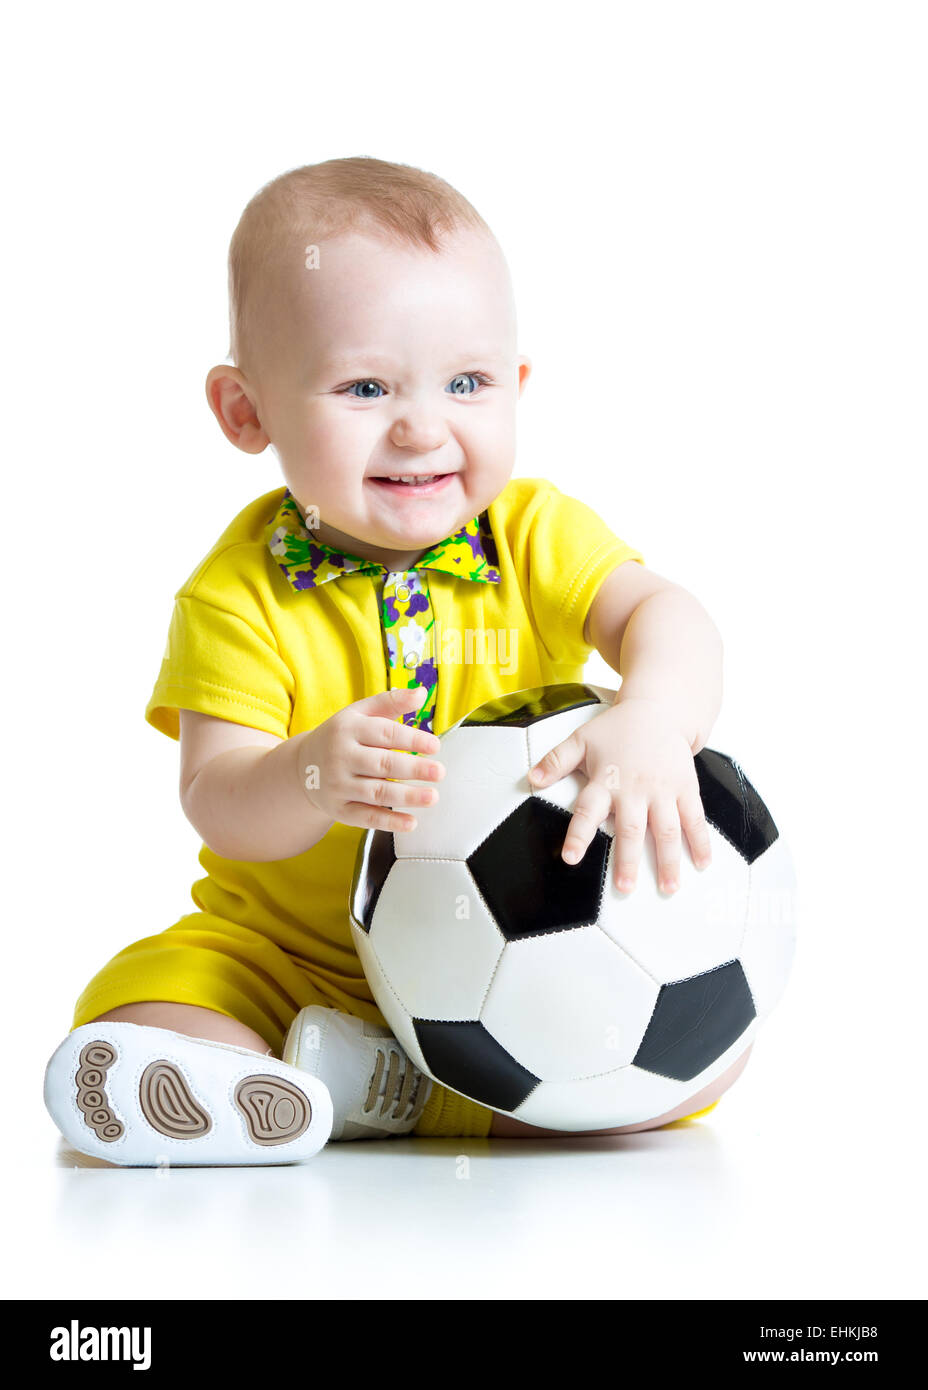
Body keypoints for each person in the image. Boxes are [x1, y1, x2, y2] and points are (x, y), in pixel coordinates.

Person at [44, 156, 748, 1166]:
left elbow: (669, 615)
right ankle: (253, 1073)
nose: (422, 425)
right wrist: (311, 770)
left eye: (465, 382)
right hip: (292, 963)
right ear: (248, 413)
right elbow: (215, 796)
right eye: (365, 385)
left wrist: (651, 713)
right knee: (140, 1002)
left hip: (522, 959)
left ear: (515, 385)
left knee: (707, 1060)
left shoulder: (533, 534)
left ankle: (374, 1092)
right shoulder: (238, 592)